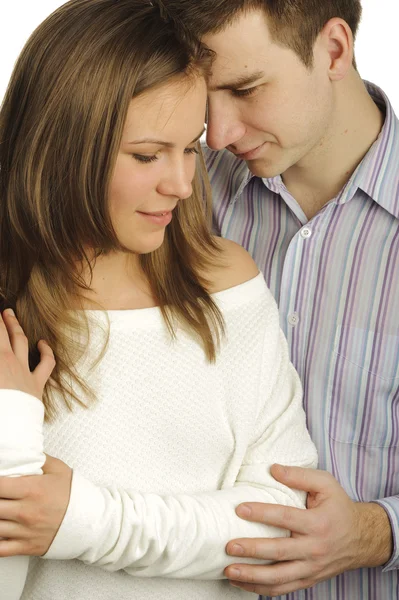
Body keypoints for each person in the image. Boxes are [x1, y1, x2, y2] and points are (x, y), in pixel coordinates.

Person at [0, 1, 318, 599]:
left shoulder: (227, 283)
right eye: (147, 155)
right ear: (65, 146)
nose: (181, 183)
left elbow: (282, 521)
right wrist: (9, 425)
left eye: (191, 148)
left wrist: (87, 522)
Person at [162, 0, 399, 598]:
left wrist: (377, 532)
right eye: (203, 94)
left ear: (334, 50)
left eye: (245, 88)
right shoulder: (172, 191)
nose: (218, 133)